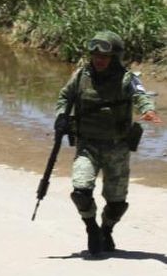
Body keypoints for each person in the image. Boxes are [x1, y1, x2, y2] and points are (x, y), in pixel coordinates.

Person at [55, 30, 161, 255]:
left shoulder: (127, 78)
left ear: (114, 57)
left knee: (117, 203)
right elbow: (65, 97)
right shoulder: (81, 76)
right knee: (81, 191)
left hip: (117, 147)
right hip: (88, 145)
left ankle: (107, 229)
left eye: (104, 57)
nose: (99, 60)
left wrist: (148, 110)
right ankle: (92, 228)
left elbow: (141, 96)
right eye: (95, 56)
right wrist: (61, 116)